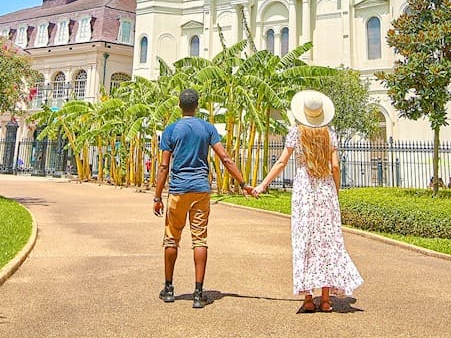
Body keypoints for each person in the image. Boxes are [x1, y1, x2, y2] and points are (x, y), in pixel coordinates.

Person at [254, 90, 362, 313]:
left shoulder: (295, 133)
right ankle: (325, 299)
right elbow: (335, 167)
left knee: (306, 240)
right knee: (326, 242)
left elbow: (282, 162)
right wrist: (336, 190)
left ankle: (308, 299)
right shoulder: (329, 134)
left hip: (304, 189)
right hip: (325, 189)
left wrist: (262, 184)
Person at [153, 87, 254, 309]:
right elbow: (225, 158)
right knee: (199, 239)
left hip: (179, 190)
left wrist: (157, 196)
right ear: (196, 106)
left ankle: (169, 289)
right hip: (201, 189)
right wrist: (243, 183)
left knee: (172, 239)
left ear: (179, 106)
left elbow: (163, 166)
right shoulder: (207, 128)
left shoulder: (171, 130)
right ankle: (199, 294)